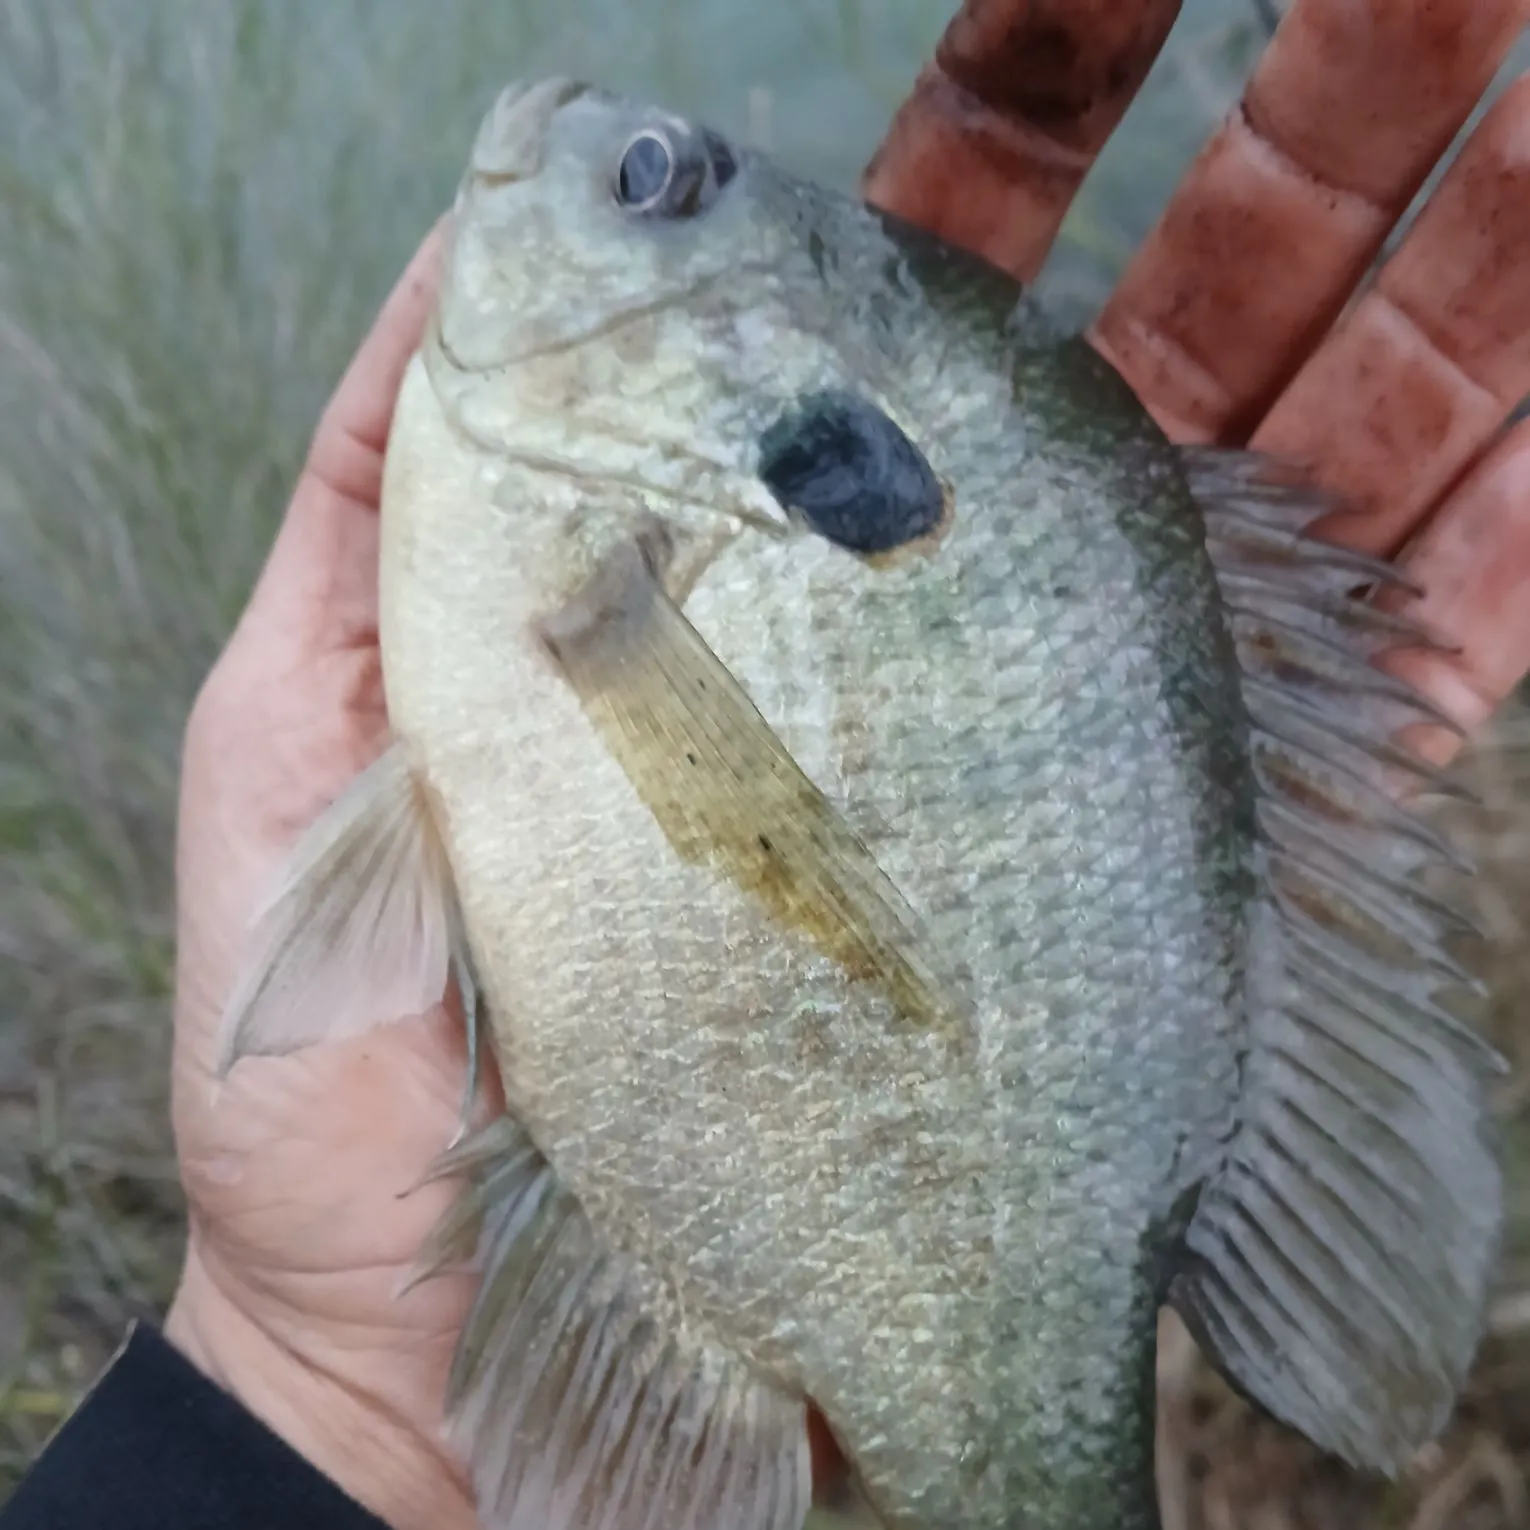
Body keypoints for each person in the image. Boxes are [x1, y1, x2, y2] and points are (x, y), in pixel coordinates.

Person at [5, 1, 1529, 1526]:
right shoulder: (589, 537)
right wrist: (303, 1379)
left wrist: (291, 1403)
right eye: (660, 184)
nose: (606, 148)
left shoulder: (550, 527)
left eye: (657, 182)